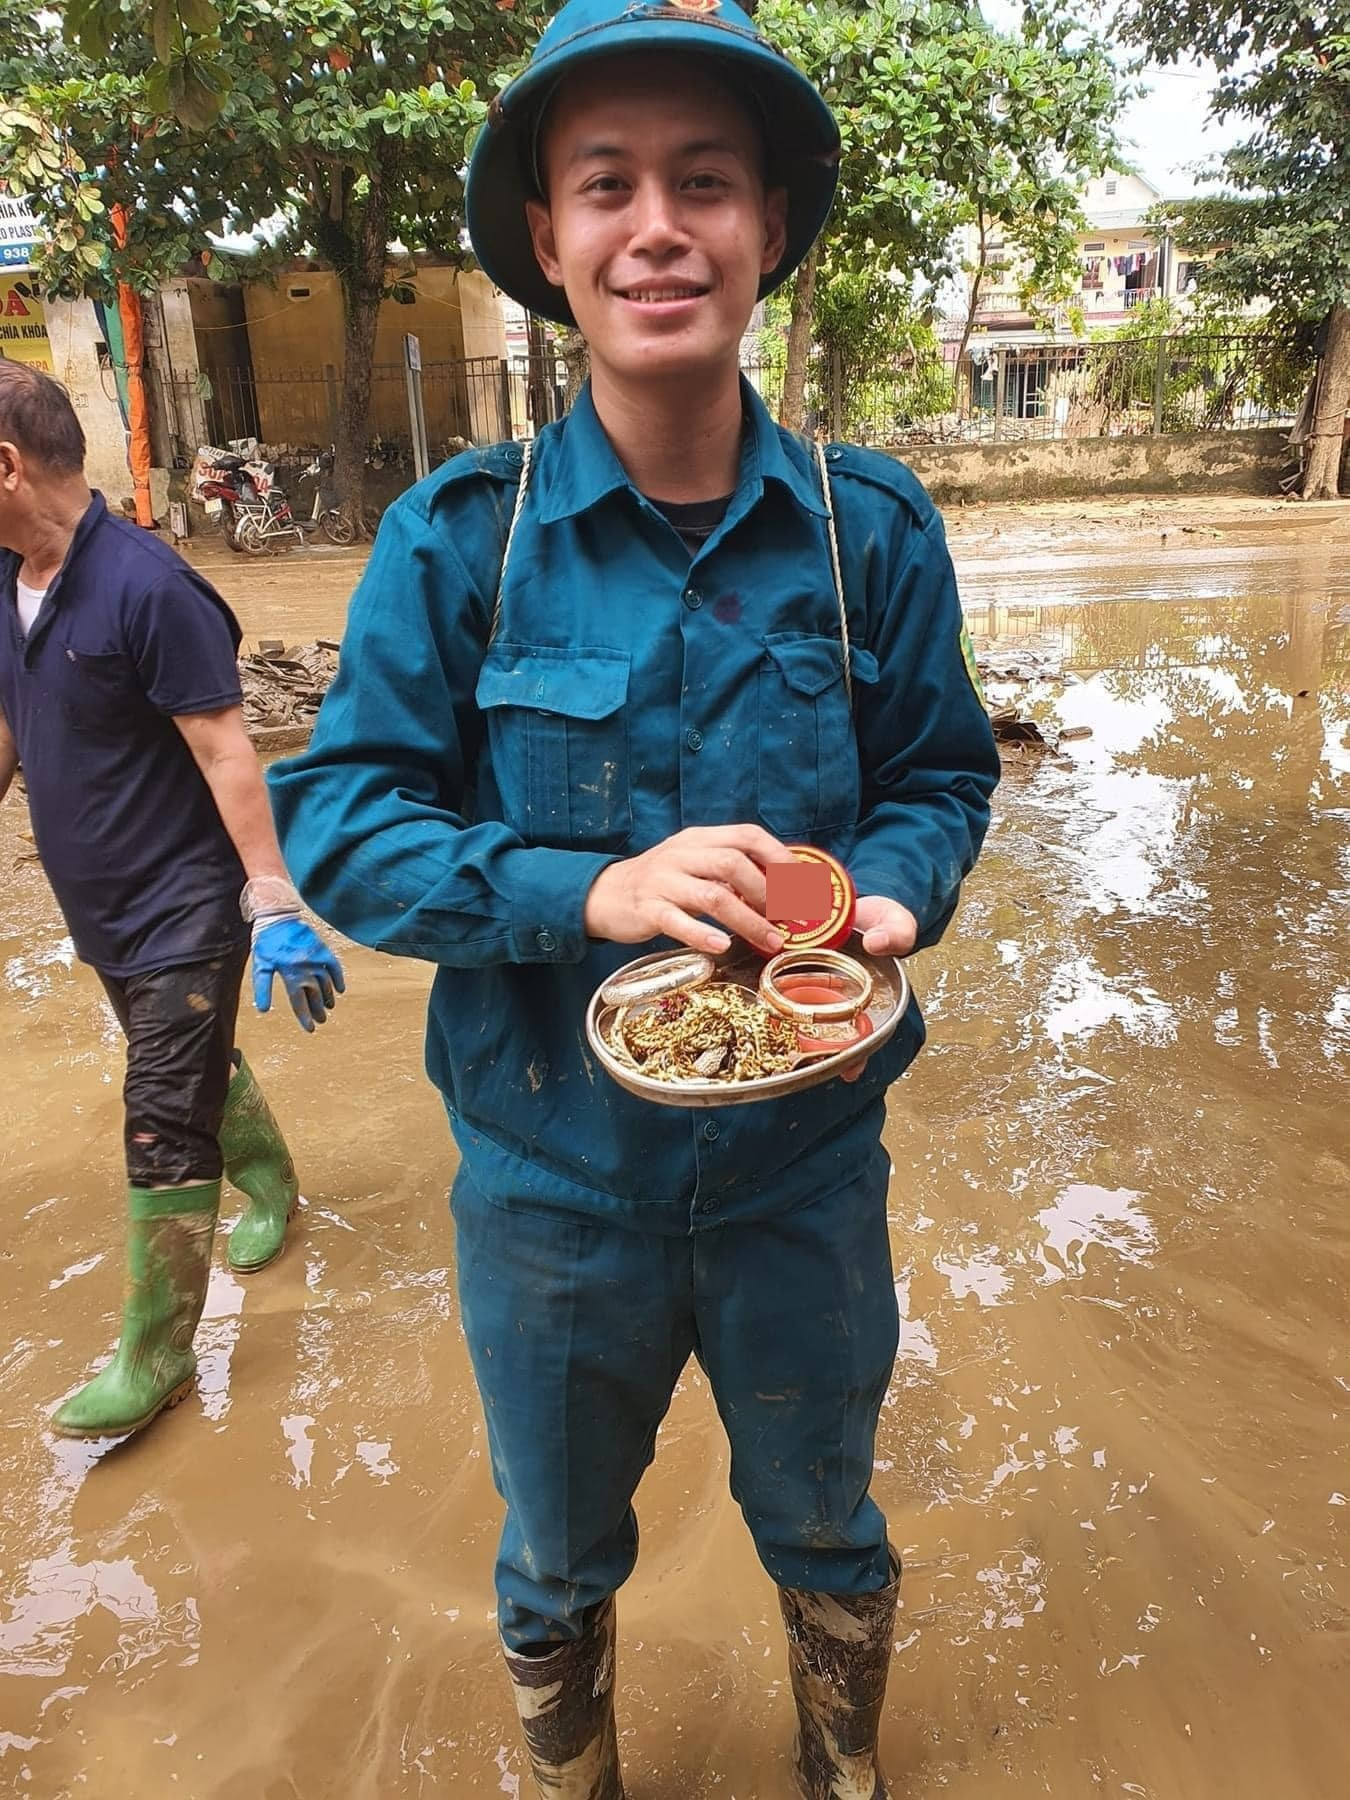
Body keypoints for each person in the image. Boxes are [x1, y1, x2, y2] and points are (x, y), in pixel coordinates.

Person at [269, 1, 999, 1793]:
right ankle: (566, 1772)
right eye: (607, 184)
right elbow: (346, 825)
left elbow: (941, 779)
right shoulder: (459, 541)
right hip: (547, 1188)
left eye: (705, 181)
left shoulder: (870, 534)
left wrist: (895, 894)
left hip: (807, 1177)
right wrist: (583, 889)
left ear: (768, 228)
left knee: (827, 1523)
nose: (656, 224)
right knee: (553, 1553)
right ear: (547, 238)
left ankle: (843, 1765)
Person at [0, 361, 344, 1443]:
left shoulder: (151, 586)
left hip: (184, 906)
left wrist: (274, 899)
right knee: (190, 1068)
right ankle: (276, 1182)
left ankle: (156, 1353)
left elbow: (226, 751)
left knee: (157, 1119)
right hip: (98, 906)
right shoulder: (6, 580)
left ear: (4, 466)